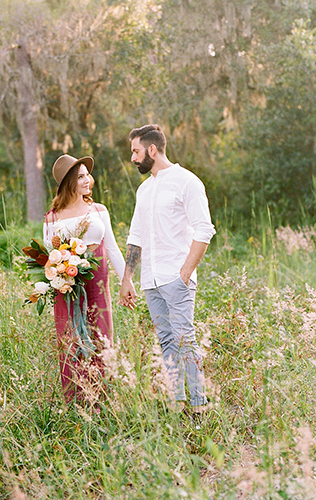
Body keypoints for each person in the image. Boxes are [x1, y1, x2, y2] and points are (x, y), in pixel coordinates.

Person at [118, 124, 216, 412]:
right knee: (166, 342)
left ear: (152, 149)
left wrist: (184, 273)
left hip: (176, 277)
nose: (133, 158)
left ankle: (199, 407)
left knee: (185, 339)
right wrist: (128, 279)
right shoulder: (144, 190)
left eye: (136, 151)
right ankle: (178, 405)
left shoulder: (187, 182)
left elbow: (204, 230)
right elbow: (136, 237)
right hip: (150, 280)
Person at [44, 154, 125, 404]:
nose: (88, 180)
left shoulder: (98, 210)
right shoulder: (52, 217)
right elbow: (50, 256)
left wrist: (127, 282)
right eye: (80, 176)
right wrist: (58, 274)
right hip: (67, 288)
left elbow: (111, 248)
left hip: (98, 285)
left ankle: (102, 400)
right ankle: (76, 404)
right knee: (71, 341)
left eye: (87, 175)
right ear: (69, 182)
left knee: (101, 337)